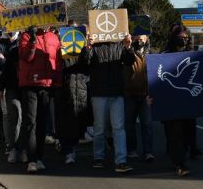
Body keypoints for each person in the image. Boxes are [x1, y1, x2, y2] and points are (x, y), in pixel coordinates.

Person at [157, 25, 203, 176]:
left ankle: (182, 155)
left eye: (185, 38)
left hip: (188, 104)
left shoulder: (192, 55)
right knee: (175, 133)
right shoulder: (163, 56)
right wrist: (151, 96)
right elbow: (155, 79)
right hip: (171, 104)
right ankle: (179, 163)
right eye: (180, 38)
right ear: (173, 38)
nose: (183, 40)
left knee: (187, 133)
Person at [80, 32, 135, 173]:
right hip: (99, 92)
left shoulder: (119, 44)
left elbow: (130, 61)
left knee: (118, 128)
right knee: (99, 128)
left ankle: (121, 161)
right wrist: (88, 46)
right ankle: (98, 157)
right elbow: (84, 63)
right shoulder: (94, 45)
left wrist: (129, 47)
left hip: (116, 92)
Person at [19, 25, 63, 173]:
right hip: (30, 84)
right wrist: (32, 40)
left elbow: (57, 61)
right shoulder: (26, 36)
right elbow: (26, 57)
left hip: (47, 85)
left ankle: (39, 157)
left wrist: (57, 82)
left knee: (42, 123)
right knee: (31, 122)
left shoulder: (53, 37)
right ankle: (31, 159)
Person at [56, 21, 89, 165]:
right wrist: (59, 51)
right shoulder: (61, 50)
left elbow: (86, 65)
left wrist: (87, 49)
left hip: (80, 89)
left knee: (78, 122)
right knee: (67, 122)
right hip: (65, 89)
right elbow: (59, 67)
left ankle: (72, 148)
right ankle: (68, 150)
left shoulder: (84, 49)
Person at [0, 32, 25, 163]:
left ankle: (24, 148)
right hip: (13, 87)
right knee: (15, 116)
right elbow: (6, 72)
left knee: (27, 119)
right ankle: (14, 147)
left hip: (28, 89)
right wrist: (0, 89)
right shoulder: (14, 52)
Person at [124, 34, 154, 162]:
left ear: (147, 39)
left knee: (146, 124)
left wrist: (151, 93)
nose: (140, 40)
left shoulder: (152, 55)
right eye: (137, 38)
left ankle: (148, 152)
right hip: (130, 94)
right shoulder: (128, 53)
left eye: (142, 38)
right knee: (129, 125)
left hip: (145, 95)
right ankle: (132, 150)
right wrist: (128, 46)